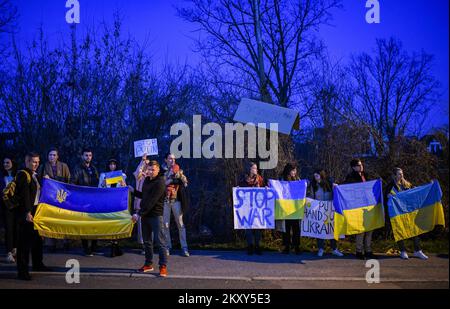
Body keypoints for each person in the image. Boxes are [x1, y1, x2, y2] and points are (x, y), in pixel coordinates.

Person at [15, 152, 51, 280]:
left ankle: (37, 264)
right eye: (33, 161)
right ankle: (22, 271)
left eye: (37, 162)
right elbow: (24, 195)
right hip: (26, 212)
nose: (36, 164)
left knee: (37, 240)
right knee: (24, 243)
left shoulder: (34, 175)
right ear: (27, 161)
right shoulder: (23, 175)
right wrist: (27, 212)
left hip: (36, 210)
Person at [131, 160, 168, 277]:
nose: (151, 172)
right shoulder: (147, 180)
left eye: (153, 170)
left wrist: (138, 214)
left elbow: (152, 201)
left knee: (160, 242)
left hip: (156, 216)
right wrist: (133, 191)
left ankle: (163, 266)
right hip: (145, 215)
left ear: (158, 170)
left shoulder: (161, 182)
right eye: (149, 169)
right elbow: (144, 196)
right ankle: (148, 264)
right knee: (147, 242)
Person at [385, 167, 428, 260]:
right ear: (394, 175)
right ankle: (403, 251)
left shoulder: (406, 184)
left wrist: (428, 187)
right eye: (399, 174)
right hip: (397, 214)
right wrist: (388, 196)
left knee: (414, 231)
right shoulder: (390, 186)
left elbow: (415, 191)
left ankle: (418, 251)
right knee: (399, 231)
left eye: (402, 173)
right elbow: (386, 198)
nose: (401, 175)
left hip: (408, 212)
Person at [37, 147, 71, 252]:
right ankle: (49, 243)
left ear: (57, 156)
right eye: (50, 155)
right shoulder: (43, 166)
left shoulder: (64, 166)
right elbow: (38, 180)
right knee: (50, 219)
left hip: (62, 197)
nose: (52, 157)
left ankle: (62, 243)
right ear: (47, 156)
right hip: (49, 198)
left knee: (61, 219)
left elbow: (69, 180)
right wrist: (44, 179)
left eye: (54, 155)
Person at [343, 158, 375, 260]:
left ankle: (368, 251)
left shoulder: (366, 175)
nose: (361, 166)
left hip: (368, 206)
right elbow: (346, 189)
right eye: (358, 165)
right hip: (358, 207)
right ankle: (359, 251)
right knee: (361, 230)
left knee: (369, 229)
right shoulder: (351, 177)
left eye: (361, 164)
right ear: (353, 167)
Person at [308, 169, 343, 257]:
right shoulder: (313, 185)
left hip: (330, 210)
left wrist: (336, 187)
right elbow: (312, 196)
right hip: (319, 210)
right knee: (320, 230)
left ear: (321, 175)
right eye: (314, 176)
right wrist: (310, 203)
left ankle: (334, 249)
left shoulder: (329, 183)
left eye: (317, 175)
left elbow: (336, 194)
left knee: (331, 230)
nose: (315, 177)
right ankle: (321, 249)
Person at [71, 148, 100, 256]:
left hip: (94, 200)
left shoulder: (94, 168)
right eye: (86, 155)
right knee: (84, 224)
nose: (88, 157)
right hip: (82, 200)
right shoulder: (77, 168)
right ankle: (86, 248)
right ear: (82, 156)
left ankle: (93, 246)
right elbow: (73, 183)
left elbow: (98, 182)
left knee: (95, 223)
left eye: (90, 155)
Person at [162, 153, 190, 257]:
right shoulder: (161, 171)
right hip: (165, 201)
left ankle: (184, 247)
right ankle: (167, 246)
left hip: (176, 201)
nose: (172, 160)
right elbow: (161, 183)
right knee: (165, 225)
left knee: (180, 224)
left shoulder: (179, 170)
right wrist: (168, 180)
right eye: (170, 158)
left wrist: (174, 180)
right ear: (166, 160)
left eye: (174, 159)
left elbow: (185, 182)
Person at [99, 158, 127, 257]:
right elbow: (100, 189)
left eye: (114, 164)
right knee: (111, 224)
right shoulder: (103, 175)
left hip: (118, 203)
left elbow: (125, 190)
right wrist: (103, 183)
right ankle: (113, 247)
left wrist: (124, 184)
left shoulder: (122, 175)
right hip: (108, 202)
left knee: (117, 224)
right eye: (110, 164)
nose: (112, 166)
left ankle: (116, 245)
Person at [239, 162, 265, 255]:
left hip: (257, 208)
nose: (256, 170)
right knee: (248, 227)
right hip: (247, 208)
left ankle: (257, 245)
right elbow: (240, 191)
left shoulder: (259, 179)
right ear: (249, 169)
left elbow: (264, 190)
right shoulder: (243, 180)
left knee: (258, 227)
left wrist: (265, 189)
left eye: (256, 168)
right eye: (254, 168)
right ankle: (250, 245)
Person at [276, 163, 302, 255]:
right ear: (288, 170)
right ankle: (286, 246)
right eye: (293, 170)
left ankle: (296, 246)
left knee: (296, 229)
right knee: (286, 229)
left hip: (295, 208)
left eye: (295, 170)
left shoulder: (297, 179)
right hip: (285, 208)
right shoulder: (282, 179)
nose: (294, 172)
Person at [1, 157, 18, 263]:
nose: (5, 164)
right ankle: (8, 253)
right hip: (6, 207)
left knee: (16, 228)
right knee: (9, 229)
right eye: (4, 162)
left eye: (7, 162)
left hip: (17, 206)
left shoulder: (17, 176)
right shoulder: (2, 176)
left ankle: (15, 249)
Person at [133, 154, 150, 253]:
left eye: (148, 163)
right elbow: (137, 174)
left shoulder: (151, 175)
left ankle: (149, 244)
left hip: (149, 202)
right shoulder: (139, 175)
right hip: (140, 202)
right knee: (141, 225)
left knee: (150, 224)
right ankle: (143, 245)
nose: (146, 164)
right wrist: (142, 161)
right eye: (144, 163)